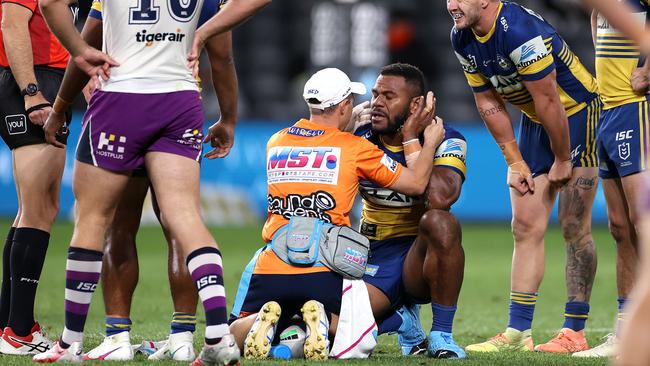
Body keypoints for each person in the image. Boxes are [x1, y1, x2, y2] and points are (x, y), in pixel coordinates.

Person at [33, 0, 240, 364]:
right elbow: (222, 59)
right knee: (185, 218)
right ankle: (215, 335)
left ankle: (73, 343)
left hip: (121, 99)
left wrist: (63, 101)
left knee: (95, 219)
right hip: (181, 101)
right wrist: (228, 118)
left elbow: (52, 5)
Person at [227, 67, 445, 360]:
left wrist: (344, 127)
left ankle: (270, 321)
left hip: (272, 265)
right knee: (358, 339)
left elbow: (318, 144)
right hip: (325, 270)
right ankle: (316, 320)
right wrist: (429, 143)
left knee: (229, 337)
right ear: (344, 106)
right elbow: (417, 183)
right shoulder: (355, 147)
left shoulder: (276, 142)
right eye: (351, 102)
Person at [448, 0, 601, 353]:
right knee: (525, 224)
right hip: (535, 119)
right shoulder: (461, 36)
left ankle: (574, 332)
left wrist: (563, 159)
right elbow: (487, 101)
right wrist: (514, 160)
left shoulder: (518, 30)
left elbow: (550, 99)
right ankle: (518, 334)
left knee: (573, 224)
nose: (451, 5)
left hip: (577, 112)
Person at [350, 63, 467, 359]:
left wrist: (413, 139)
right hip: (367, 252)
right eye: (376, 94)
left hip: (415, 260)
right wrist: (339, 131)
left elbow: (440, 198)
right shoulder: (359, 136)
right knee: (332, 328)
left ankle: (441, 334)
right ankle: (400, 318)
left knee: (440, 222)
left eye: (389, 96)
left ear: (416, 105)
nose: (377, 103)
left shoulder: (445, 138)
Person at [570, 2, 650, 358]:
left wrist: (648, 70)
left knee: (643, 223)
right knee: (620, 227)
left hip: (636, 108)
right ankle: (624, 328)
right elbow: (595, 14)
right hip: (609, 110)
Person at [0, 0, 77, 355]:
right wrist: (32, 93)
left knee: (33, 208)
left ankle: (10, 324)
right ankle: (19, 332)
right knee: (39, 209)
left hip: (46, 79)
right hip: (35, 81)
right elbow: (13, 23)